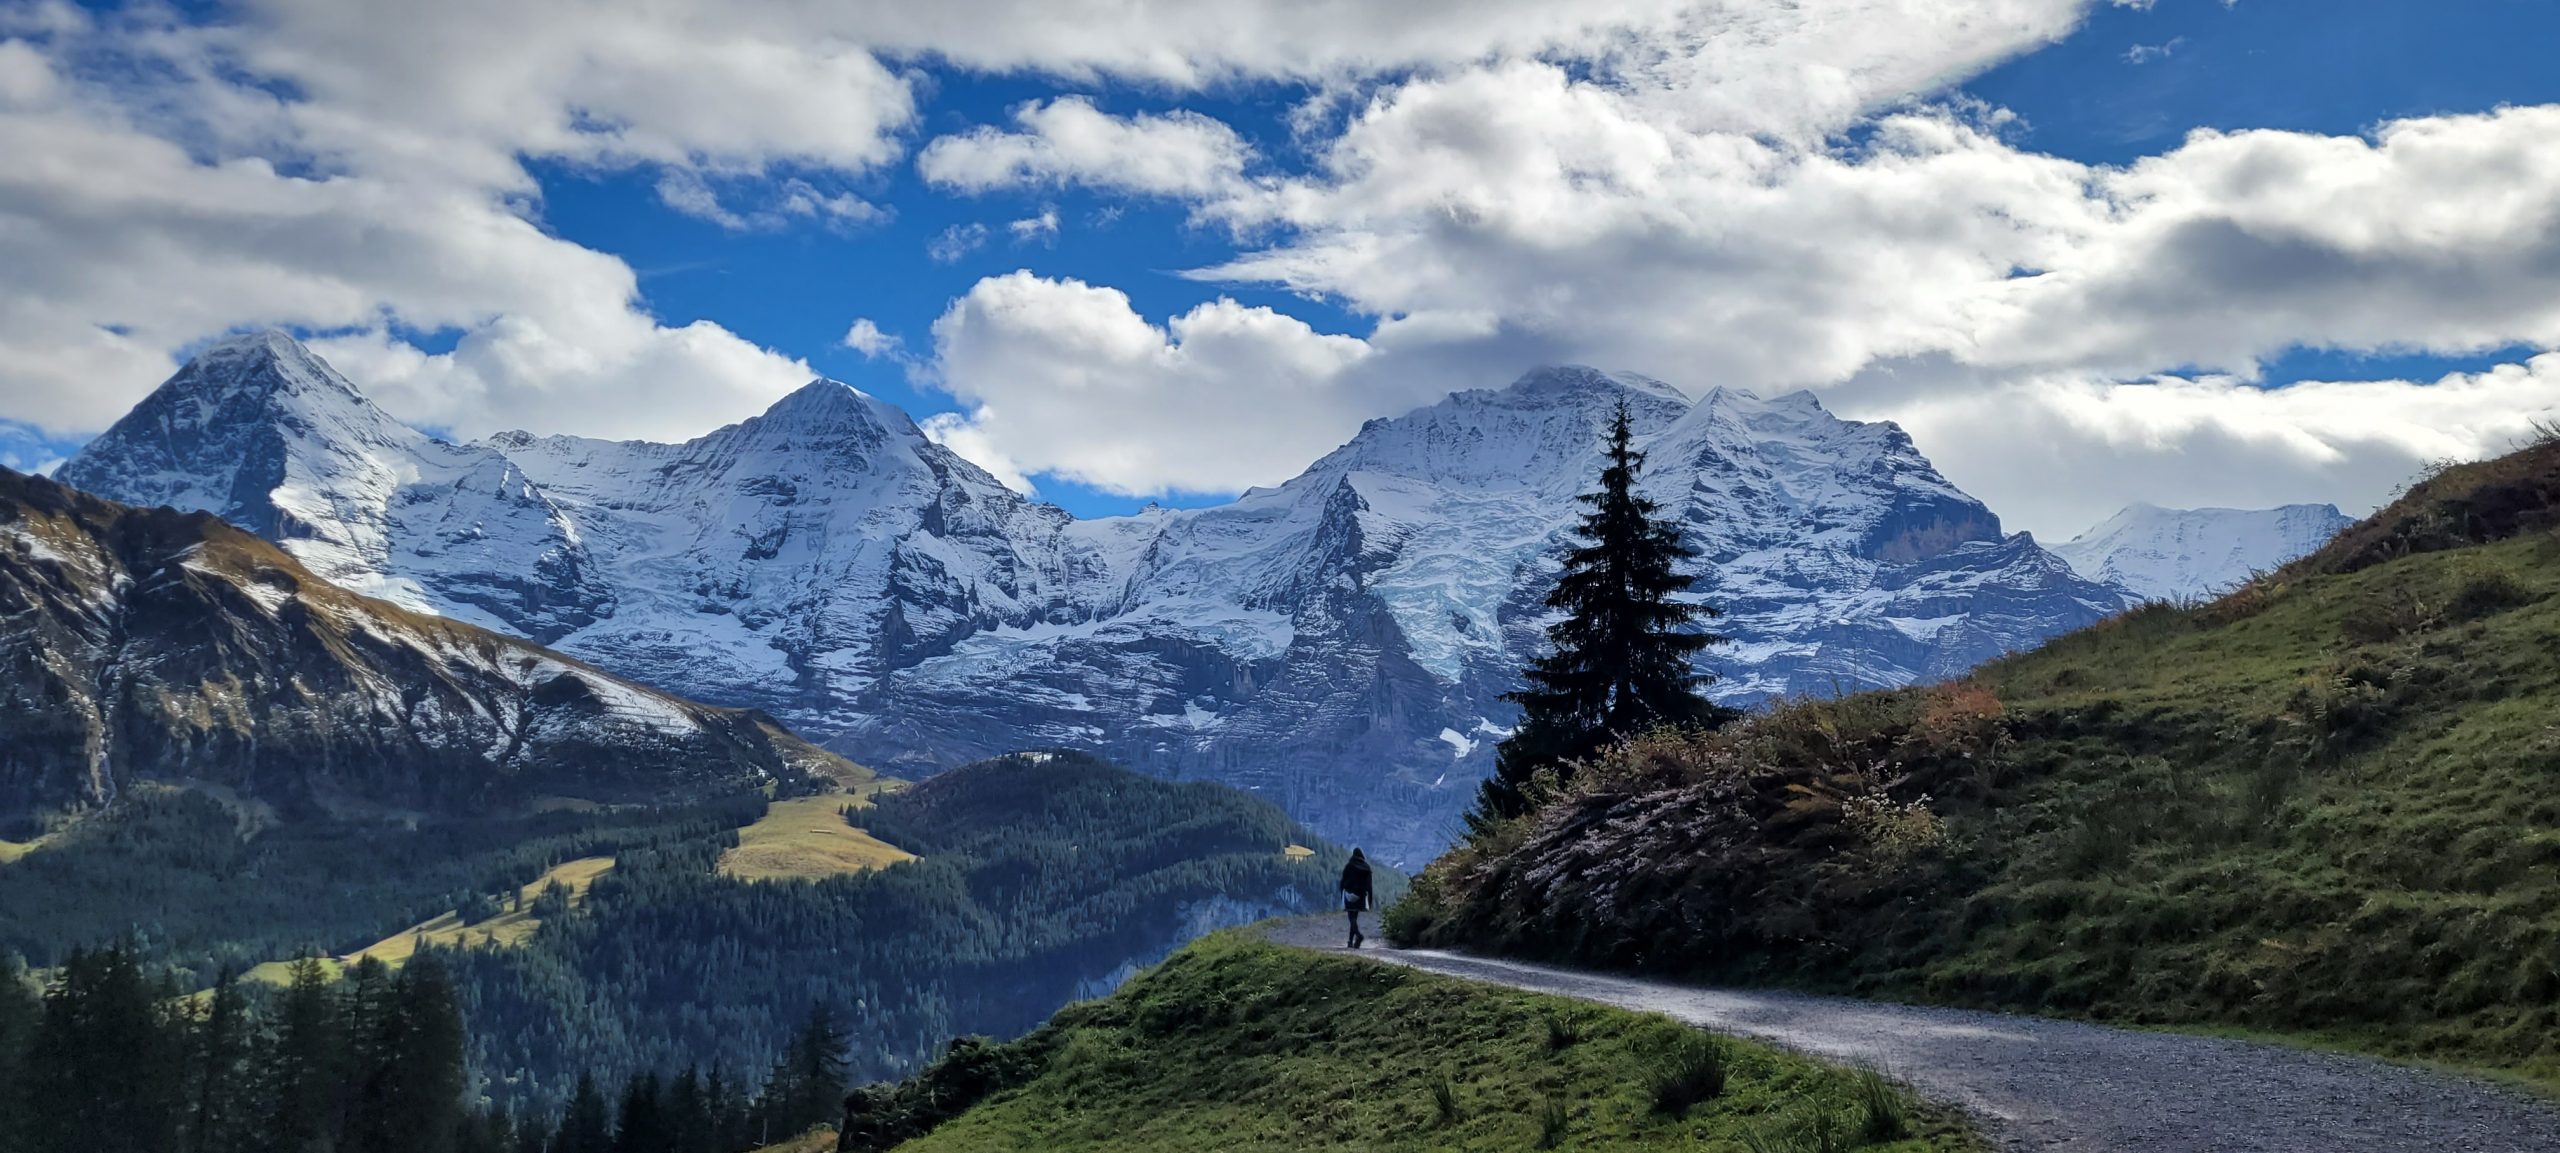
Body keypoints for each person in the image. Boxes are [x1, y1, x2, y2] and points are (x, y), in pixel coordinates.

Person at [1340, 848, 1375, 949]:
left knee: (1351, 918)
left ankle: (1358, 936)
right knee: (1354, 917)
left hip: (1349, 894)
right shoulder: (1366, 868)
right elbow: (1369, 886)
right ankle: (1351, 942)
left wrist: (1342, 893)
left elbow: (1342, 881)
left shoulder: (1349, 866)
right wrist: (1370, 900)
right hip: (1360, 896)